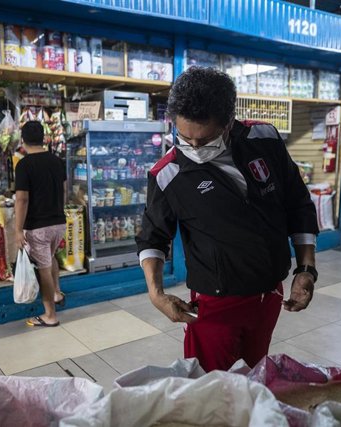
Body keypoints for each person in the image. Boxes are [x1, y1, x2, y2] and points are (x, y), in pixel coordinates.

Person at [136, 67, 319, 372]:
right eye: (184, 138)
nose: (194, 149)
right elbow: (152, 238)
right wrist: (156, 295)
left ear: (229, 122)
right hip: (214, 305)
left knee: (255, 376)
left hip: (269, 294)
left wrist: (306, 268)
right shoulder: (167, 174)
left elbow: (298, 204)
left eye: (205, 140)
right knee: (209, 387)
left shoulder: (265, 140)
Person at [15, 121, 67, 327]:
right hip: (58, 223)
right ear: (44, 138)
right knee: (50, 257)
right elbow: (64, 190)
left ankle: (50, 315)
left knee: (43, 268)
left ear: (23, 140)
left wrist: (18, 230)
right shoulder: (57, 161)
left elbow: (22, 199)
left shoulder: (24, 165)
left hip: (37, 227)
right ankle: (55, 293)